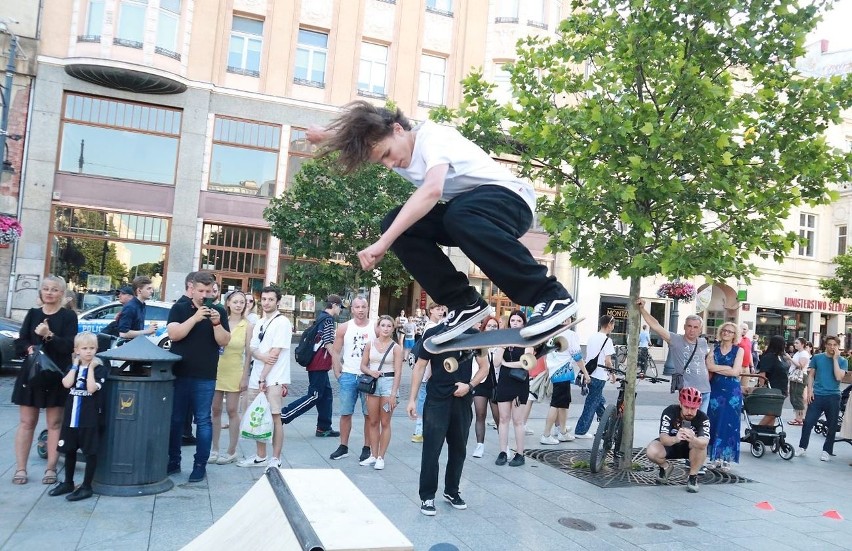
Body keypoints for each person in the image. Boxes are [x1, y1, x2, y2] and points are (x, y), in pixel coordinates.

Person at [306, 101, 578, 347]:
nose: (391, 165)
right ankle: (464, 303)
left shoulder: (432, 137)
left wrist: (382, 243)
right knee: (398, 223)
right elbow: (364, 135)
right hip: (470, 215)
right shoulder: (395, 147)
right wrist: (327, 136)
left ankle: (551, 295)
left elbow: (432, 190)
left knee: (451, 216)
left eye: (388, 154)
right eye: (382, 162)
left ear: (399, 129)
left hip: (510, 202)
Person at [407, 323, 489, 516]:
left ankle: (452, 491)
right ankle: (427, 496)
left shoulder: (475, 334)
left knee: (459, 448)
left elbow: (484, 367)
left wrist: (469, 385)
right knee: (431, 449)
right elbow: (419, 366)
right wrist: (412, 399)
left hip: (462, 398)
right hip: (437, 398)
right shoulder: (433, 334)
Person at [12, 275, 78, 486]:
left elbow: (68, 347)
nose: (49, 292)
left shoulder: (68, 317)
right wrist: (28, 347)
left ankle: (50, 468)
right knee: (27, 422)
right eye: (46, 289)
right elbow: (20, 341)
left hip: (56, 374)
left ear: (62, 294)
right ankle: (21, 469)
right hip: (32, 374)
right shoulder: (32, 314)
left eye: (55, 289)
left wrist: (48, 334)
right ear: (41, 292)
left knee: (54, 423)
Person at [166, 270, 231, 483]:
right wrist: (195, 318)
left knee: (203, 420)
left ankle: (199, 465)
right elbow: (174, 334)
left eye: (208, 291)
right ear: (192, 289)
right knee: (175, 420)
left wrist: (216, 323)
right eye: (201, 291)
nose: (205, 295)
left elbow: (224, 341)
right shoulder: (180, 308)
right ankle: (173, 461)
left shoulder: (219, 310)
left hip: (205, 375)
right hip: (179, 373)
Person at [47, 332, 107, 501]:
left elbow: (91, 389)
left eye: (92, 348)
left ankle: (87, 486)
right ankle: (68, 482)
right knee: (69, 450)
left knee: (90, 452)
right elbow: (66, 383)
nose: (88, 352)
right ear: (77, 350)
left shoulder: (100, 369)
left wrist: (91, 369)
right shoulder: (72, 368)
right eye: (84, 348)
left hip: (89, 419)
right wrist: (75, 365)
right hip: (71, 418)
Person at [239, 286, 292, 468]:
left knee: (275, 417)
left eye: (270, 299)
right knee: (258, 415)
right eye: (264, 299)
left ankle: (275, 458)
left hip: (274, 378)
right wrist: (261, 357)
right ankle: (260, 455)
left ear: (277, 301)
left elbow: (275, 352)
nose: (266, 303)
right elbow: (253, 348)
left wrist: (263, 377)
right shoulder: (260, 322)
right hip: (257, 377)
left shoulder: (282, 322)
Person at [281, 295, 342, 437]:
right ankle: (284, 415)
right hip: (319, 364)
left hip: (316, 363)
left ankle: (324, 427)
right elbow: (328, 343)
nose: (340, 310)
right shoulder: (328, 320)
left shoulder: (321, 317)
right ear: (333, 305)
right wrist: (338, 363)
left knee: (326, 395)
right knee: (314, 396)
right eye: (339, 306)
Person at [637, 300, 711, 411]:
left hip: (705, 390)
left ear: (700, 330)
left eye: (696, 327)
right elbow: (656, 326)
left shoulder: (703, 342)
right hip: (688, 392)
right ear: (684, 327)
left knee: (702, 425)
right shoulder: (676, 340)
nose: (692, 330)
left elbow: (707, 364)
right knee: (687, 424)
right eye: (689, 326)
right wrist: (642, 309)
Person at [329, 295, 375, 462]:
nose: (360, 310)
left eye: (363, 306)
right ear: (352, 309)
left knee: (368, 414)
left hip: (367, 376)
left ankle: (367, 447)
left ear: (367, 308)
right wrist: (337, 372)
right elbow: (335, 351)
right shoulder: (343, 327)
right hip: (348, 375)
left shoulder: (374, 327)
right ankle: (343, 446)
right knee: (345, 413)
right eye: (357, 307)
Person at [211, 291, 252, 465]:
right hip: (216, 369)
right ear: (228, 303)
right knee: (215, 410)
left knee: (233, 411)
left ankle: (231, 450)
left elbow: (249, 353)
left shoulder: (247, 325)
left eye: (242, 302)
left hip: (235, 370)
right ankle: (214, 449)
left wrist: (245, 377)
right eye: (235, 301)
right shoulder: (220, 321)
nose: (238, 305)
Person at [645, 387, 710, 493]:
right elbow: (663, 438)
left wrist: (693, 439)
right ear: (680, 404)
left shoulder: (703, 418)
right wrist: (676, 438)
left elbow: (704, 443)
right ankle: (666, 468)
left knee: (700, 446)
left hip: (691, 449)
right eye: (686, 407)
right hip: (671, 444)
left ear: (698, 407)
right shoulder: (670, 411)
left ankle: (693, 477)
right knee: (652, 450)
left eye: (693, 408)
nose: (689, 411)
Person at [359, 315, 403, 470]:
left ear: (393, 329)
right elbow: (363, 365)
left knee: (385, 422)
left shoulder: (396, 347)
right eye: (383, 325)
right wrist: (371, 372)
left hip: (388, 384)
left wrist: (393, 394)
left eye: (389, 326)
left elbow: (398, 372)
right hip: (373, 384)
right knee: (372, 421)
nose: (385, 328)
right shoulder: (370, 344)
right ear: (378, 327)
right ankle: (373, 454)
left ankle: (381, 457)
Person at [796, 335, 848, 461]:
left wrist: (835, 359)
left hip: (833, 396)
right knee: (808, 422)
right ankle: (802, 447)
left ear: (838, 346)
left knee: (832, 424)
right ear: (825, 345)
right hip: (817, 395)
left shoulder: (842, 361)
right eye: (829, 344)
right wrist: (809, 391)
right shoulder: (818, 358)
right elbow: (811, 375)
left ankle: (827, 451)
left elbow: (838, 377)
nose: (832, 347)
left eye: (835, 345)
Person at [492, 310, 534, 467]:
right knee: (503, 419)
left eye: (518, 321)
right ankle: (503, 451)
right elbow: (496, 362)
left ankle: (520, 454)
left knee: (517, 420)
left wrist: (507, 363)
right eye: (513, 320)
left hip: (519, 382)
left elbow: (526, 362)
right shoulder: (505, 339)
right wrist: (503, 346)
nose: (515, 323)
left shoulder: (527, 340)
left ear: (523, 323)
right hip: (504, 381)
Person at [705, 322, 743, 470]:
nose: (726, 333)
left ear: (735, 335)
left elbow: (735, 372)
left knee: (730, 423)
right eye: (725, 330)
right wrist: (727, 367)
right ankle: (715, 457)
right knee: (714, 422)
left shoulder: (739, 350)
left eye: (730, 332)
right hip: (715, 389)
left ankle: (726, 458)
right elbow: (709, 367)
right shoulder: (714, 349)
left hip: (732, 392)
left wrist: (720, 368)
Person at [540, 320, 584, 445]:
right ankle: (546, 434)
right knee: (556, 404)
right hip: (563, 372)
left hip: (554, 372)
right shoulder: (570, 334)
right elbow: (577, 357)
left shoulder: (552, 333)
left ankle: (562, 431)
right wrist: (585, 373)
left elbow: (545, 354)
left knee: (563, 404)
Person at [574, 315, 616, 439]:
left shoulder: (592, 337)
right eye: (613, 324)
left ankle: (607, 425)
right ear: (609, 324)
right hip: (599, 375)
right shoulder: (607, 340)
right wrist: (612, 374)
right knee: (592, 403)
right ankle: (581, 431)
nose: (613, 327)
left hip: (590, 373)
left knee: (598, 400)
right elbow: (608, 361)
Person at [412, 302, 446, 444]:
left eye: (442, 309)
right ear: (430, 310)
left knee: (424, 398)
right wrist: (430, 371)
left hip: (428, 370)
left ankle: (422, 429)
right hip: (428, 371)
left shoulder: (432, 325)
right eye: (437, 309)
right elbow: (431, 352)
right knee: (423, 398)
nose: (440, 311)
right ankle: (420, 429)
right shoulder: (432, 327)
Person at [471, 314, 501, 458]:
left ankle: (504, 446)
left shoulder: (502, 343)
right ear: (484, 327)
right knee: (480, 414)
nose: (492, 328)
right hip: (481, 382)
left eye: (495, 326)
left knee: (498, 417)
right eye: (489, 325)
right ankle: (479, 445)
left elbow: (498, 363)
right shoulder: (479, 343)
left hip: (496, 383)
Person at [755, 335, 789, 426]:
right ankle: (758, 429)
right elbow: (763, 373)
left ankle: (769, 432)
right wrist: (762, 386)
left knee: (774, 414)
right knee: (772, 413)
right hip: (772, 388)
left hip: (782, 387)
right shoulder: (769, 357)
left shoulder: (781, 357)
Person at [118, 275, 158, 340]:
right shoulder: (130, 307)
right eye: (148, 288)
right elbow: (123, 333)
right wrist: (147, 331)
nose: (151, 291)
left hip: (136, 344)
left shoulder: (142, 305)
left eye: (152, 289)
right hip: (128, 346)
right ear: (139, 291)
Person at [787, 338, 811, 425]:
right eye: (795, 343)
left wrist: (790, 358)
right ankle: (798, 417)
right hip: (795, 376)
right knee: (794, 396)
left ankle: (799, 418)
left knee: (798, 397)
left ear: (802, 344)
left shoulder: (804, 353)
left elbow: (801, 365)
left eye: (797, 343)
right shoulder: (798, 353)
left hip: (800, 376)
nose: (795, 345)